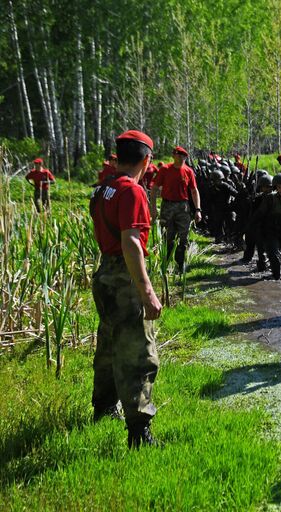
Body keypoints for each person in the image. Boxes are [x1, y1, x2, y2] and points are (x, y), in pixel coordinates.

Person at [89, 130, 161, 449]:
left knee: (108, 345)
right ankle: (139, 434)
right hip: (124, 276)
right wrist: (147, 293)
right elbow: (131, 242)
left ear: (118, 157)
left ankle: (103, 409)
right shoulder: (131, 191)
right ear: (146, 160)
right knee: (138, 354)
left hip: (104, 271)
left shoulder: (104, 188)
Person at [149, 146, 202, 273]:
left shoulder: (188, 171)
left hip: (183, 207)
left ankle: (180, 264)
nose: (182, 158)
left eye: (184, 156)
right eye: (179, 156)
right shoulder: (165, 170)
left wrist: (198, 209)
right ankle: (166, 264)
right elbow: (154, 188)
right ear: (174, 156)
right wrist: (153, 208)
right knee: (168, 237)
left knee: (183, 237)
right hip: (167, 206)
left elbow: (194, 191)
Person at [241, 173, 273, 270]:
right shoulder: (257, 199)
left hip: (272, 226)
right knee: (260, 247)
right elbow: (252, 214)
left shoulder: (275, 198)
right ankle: (262, 264)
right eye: (264, 187)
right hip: (259, 226)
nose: (267, 189)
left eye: (269, 187)